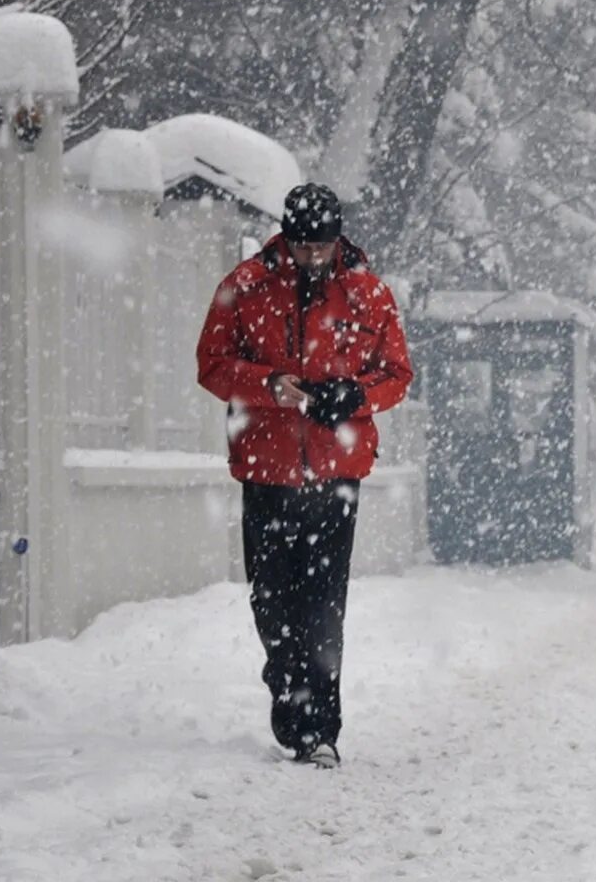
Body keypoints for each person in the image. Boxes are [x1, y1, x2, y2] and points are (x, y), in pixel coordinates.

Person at [196, 183, 412, 767]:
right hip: (266, 469)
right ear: (285, 238)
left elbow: (397, 372)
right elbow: (211, 366)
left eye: (322, 246)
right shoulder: (244, 288)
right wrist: (268, 385)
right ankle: (287, 693)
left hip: (337, 471)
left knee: (322, 602)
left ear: (338, 238)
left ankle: (320, 729)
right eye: (302, 247)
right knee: (272, 601)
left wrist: (356, 396)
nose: (313, 257)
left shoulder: (368, 293)